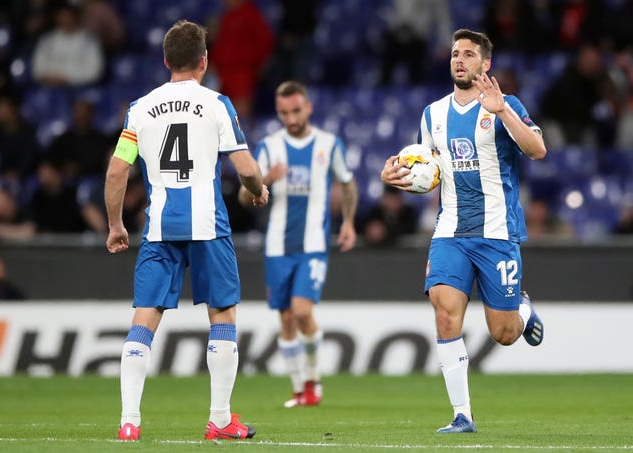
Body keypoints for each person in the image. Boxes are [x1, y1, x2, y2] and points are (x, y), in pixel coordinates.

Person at [104, 20, 269, 442]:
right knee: (222, 315)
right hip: (208, 225)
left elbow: (117, 171)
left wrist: (116, 224)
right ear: (204, 61)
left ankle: (129, 422)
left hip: (160, 227)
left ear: (165, 61)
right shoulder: (216, 103)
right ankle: (218, 419)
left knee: (144, 319)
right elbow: (245, 167)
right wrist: (257, 189)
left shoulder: (139, 108)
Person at [380, 29, 547, 433]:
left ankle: (521, 310)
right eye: (456, 53)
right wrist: (397, 175)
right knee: (444, 314)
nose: (460, 59)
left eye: (469, 54)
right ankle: (462, 415)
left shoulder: (506, 106)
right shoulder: (432, 114)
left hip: (497, 232)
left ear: (485, 64)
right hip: (450, 232)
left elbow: (538, 149)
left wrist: (504, 110)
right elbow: (429, 173)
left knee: (503, 333)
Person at [238, 81, 358, 408]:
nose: (290, 118)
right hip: (277, 247)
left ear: (308, 108)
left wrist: (347, 222)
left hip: (313, 245)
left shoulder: (329, 144)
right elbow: (243, 197)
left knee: (303, 312)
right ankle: (298, 388)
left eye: (296, 110)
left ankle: (313, 381)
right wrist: (267, 180)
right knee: (287, 320)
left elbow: (347, 184)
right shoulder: (268, 147)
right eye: (284, 112)